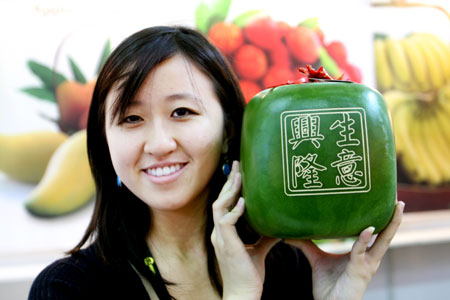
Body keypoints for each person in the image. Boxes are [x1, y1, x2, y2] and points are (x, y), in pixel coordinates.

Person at [28, 25, 404, 300]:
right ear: (104, 141)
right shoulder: (67, 290)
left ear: (229, 131)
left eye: (181, 111)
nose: (159, 144)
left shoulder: (291, 270)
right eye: (131, 119)